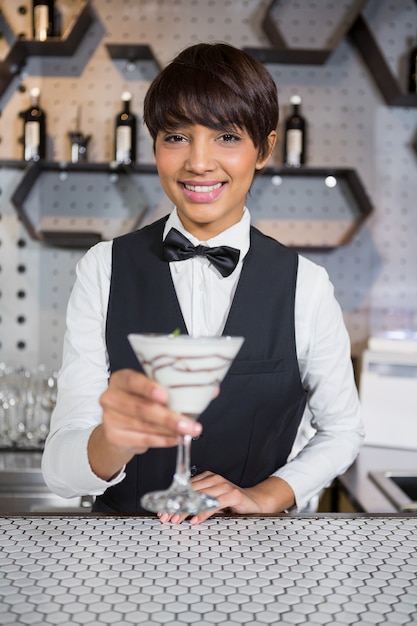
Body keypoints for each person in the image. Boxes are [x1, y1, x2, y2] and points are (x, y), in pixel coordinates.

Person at [42, 42, 364, 525]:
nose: (198, 161)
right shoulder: (103, 267)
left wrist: (268, 494)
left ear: (265, 149)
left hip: (258, 562)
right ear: (154, 146)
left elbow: (342, 430)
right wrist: (113, 441)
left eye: (227, 137)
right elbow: (59, 471)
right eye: (176, 137)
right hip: (124, 559)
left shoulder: (306, 285)